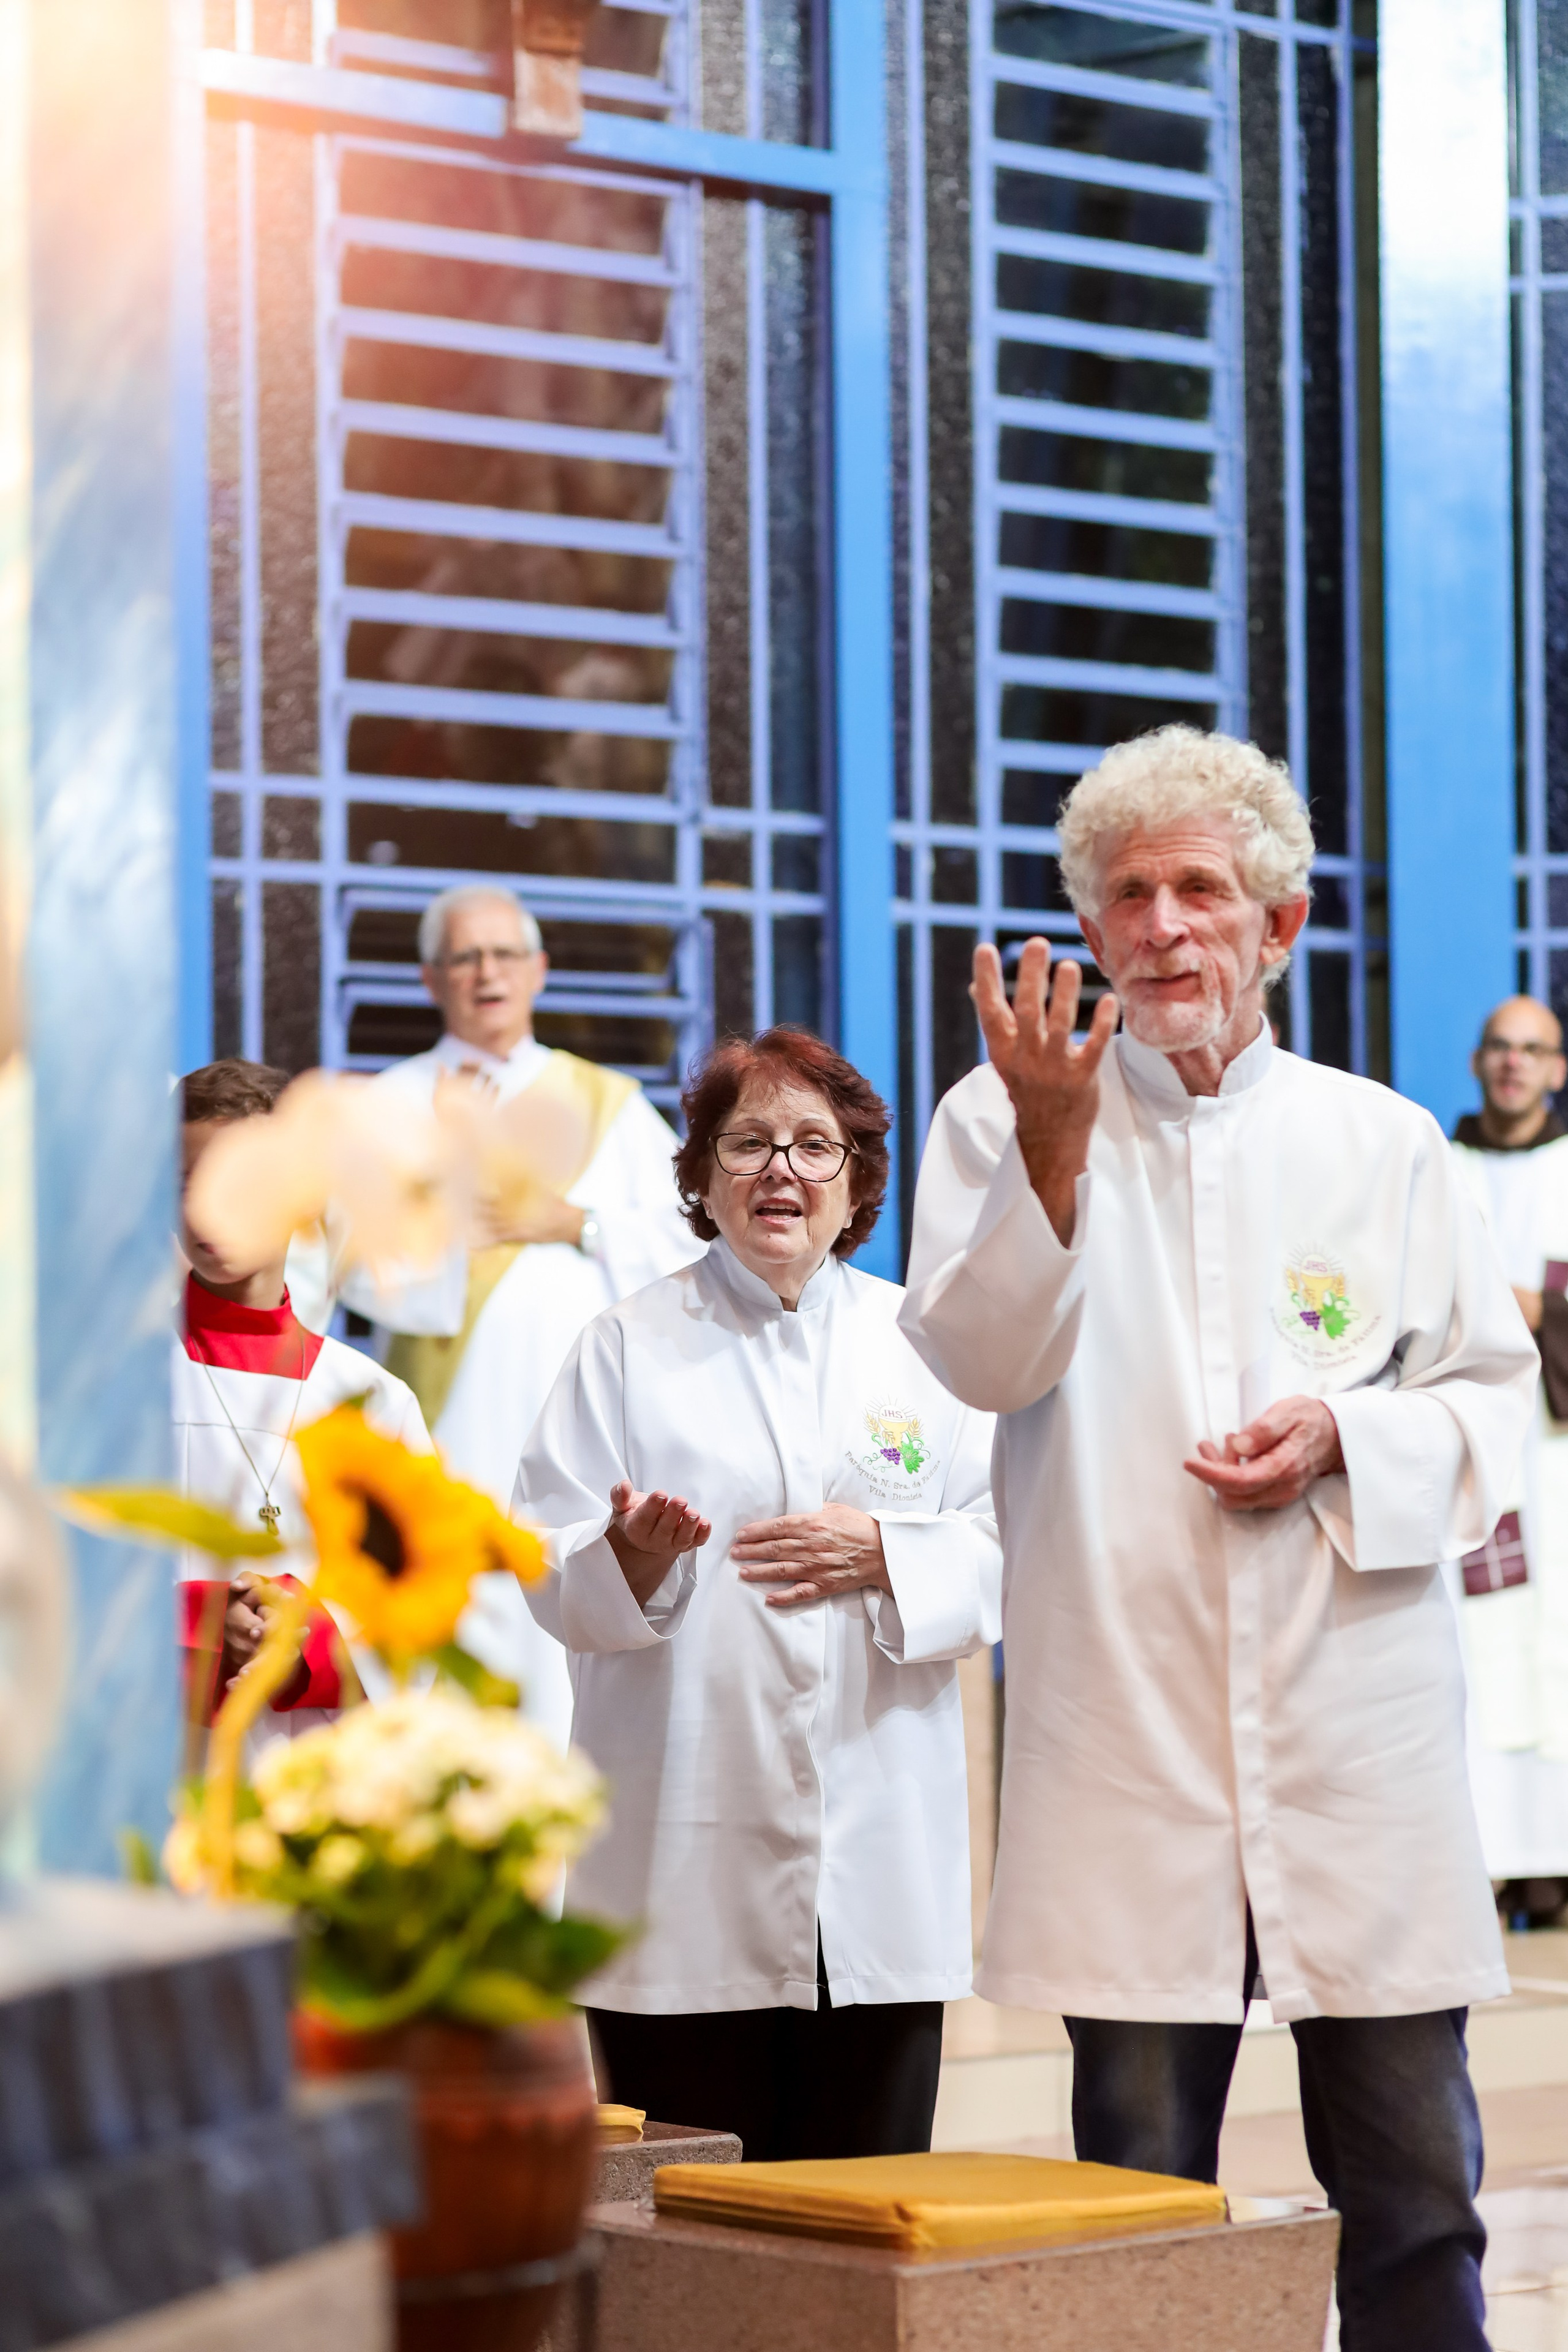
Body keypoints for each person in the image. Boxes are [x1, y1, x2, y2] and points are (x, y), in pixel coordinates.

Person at [898, 725, 1536, 2352]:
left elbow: (1491, 1402)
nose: (1165, 925)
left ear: (1280, 926)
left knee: (1413, 2199)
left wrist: (1345, 1433)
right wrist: (1054, 1151)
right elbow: (977, 1365)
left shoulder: (1380, 1140)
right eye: (1129, 895)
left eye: (1200, 889)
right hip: (1131, 1733)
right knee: (1136, 2211)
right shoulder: (998, 1115)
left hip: (1353, 1730)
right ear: (1092, 931)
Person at [516, 1028, 1001, 2160]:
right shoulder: (627, 1346)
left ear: (857, 1181)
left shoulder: (926, 1348)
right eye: (747, 1144)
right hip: (677, 1870)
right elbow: (543, 1558)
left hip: (876, 1863)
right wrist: (630, 1553)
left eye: (814, 1146)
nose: (780, 1169)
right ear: (700, 1176)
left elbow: (1007, 1547)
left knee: (859, 2219)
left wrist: (889, 1552)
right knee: (695, 2236)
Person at [335, 886, 699, 1747]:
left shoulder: (605, 1104)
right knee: (451, 1633)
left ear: (539, 970)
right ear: (431, 978)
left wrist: (578, 1224)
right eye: (465, 956)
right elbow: (352, 1262)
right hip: (447, 1425)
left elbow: (690, 1244)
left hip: (584, 1423)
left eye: (504, 954)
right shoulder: (390, 1103)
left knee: (568, 1629)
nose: (486, 972)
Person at [176, 1059, 431, 1733]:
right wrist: (202, 1622)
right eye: (186, 1182)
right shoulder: (121, 1384)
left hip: (315, 1771)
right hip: (159, 1763)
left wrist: (305, 1640)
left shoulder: (371, 1397)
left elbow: (418, 1600)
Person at [1450, 997, 1568, 1923]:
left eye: (1533, 1050)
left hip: (1558, 1462)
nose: (1514, 1064)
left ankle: (1554, 1860)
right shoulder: (1432, 1170)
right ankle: (1479, 1855)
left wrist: (1542, 1315)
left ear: (1557, 1070)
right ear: (1477, 1061)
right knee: (1467, 1649)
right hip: (1471, 1456)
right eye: (1500, 1047)